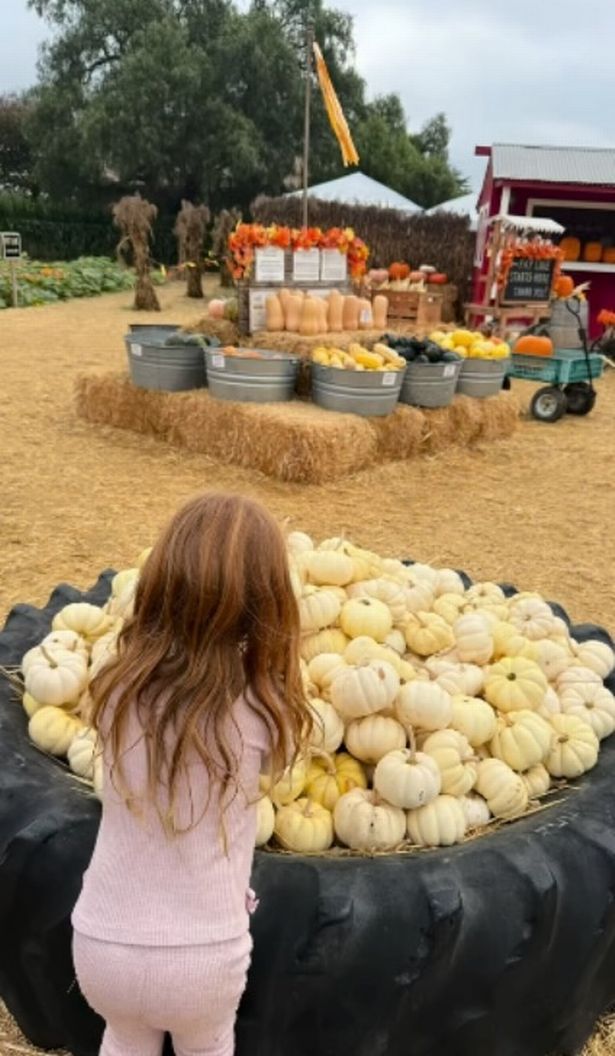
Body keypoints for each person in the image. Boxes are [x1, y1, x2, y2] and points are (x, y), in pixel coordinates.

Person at [72, 492, 310, 1056]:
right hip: (203, 956)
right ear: (269, 602)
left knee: (124, 1041)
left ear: (159, 582)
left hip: (101, 941)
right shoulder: (261, 711)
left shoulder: (115, 690)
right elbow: (274, 761)